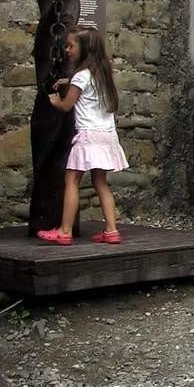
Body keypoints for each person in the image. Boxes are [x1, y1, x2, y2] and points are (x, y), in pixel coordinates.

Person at [36, 27, 129, 245]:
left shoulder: (81, 75)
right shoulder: (103, 73)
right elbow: (88, 87)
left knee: (72, 179)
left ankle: (64, 231)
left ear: (84, 49)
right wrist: (69, 82)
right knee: (101, 182)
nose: (67, 50)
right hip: (107, 136)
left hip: (88, 136)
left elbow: (66, 105)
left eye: (71, 46)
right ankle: (111, 230)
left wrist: (54, 101)